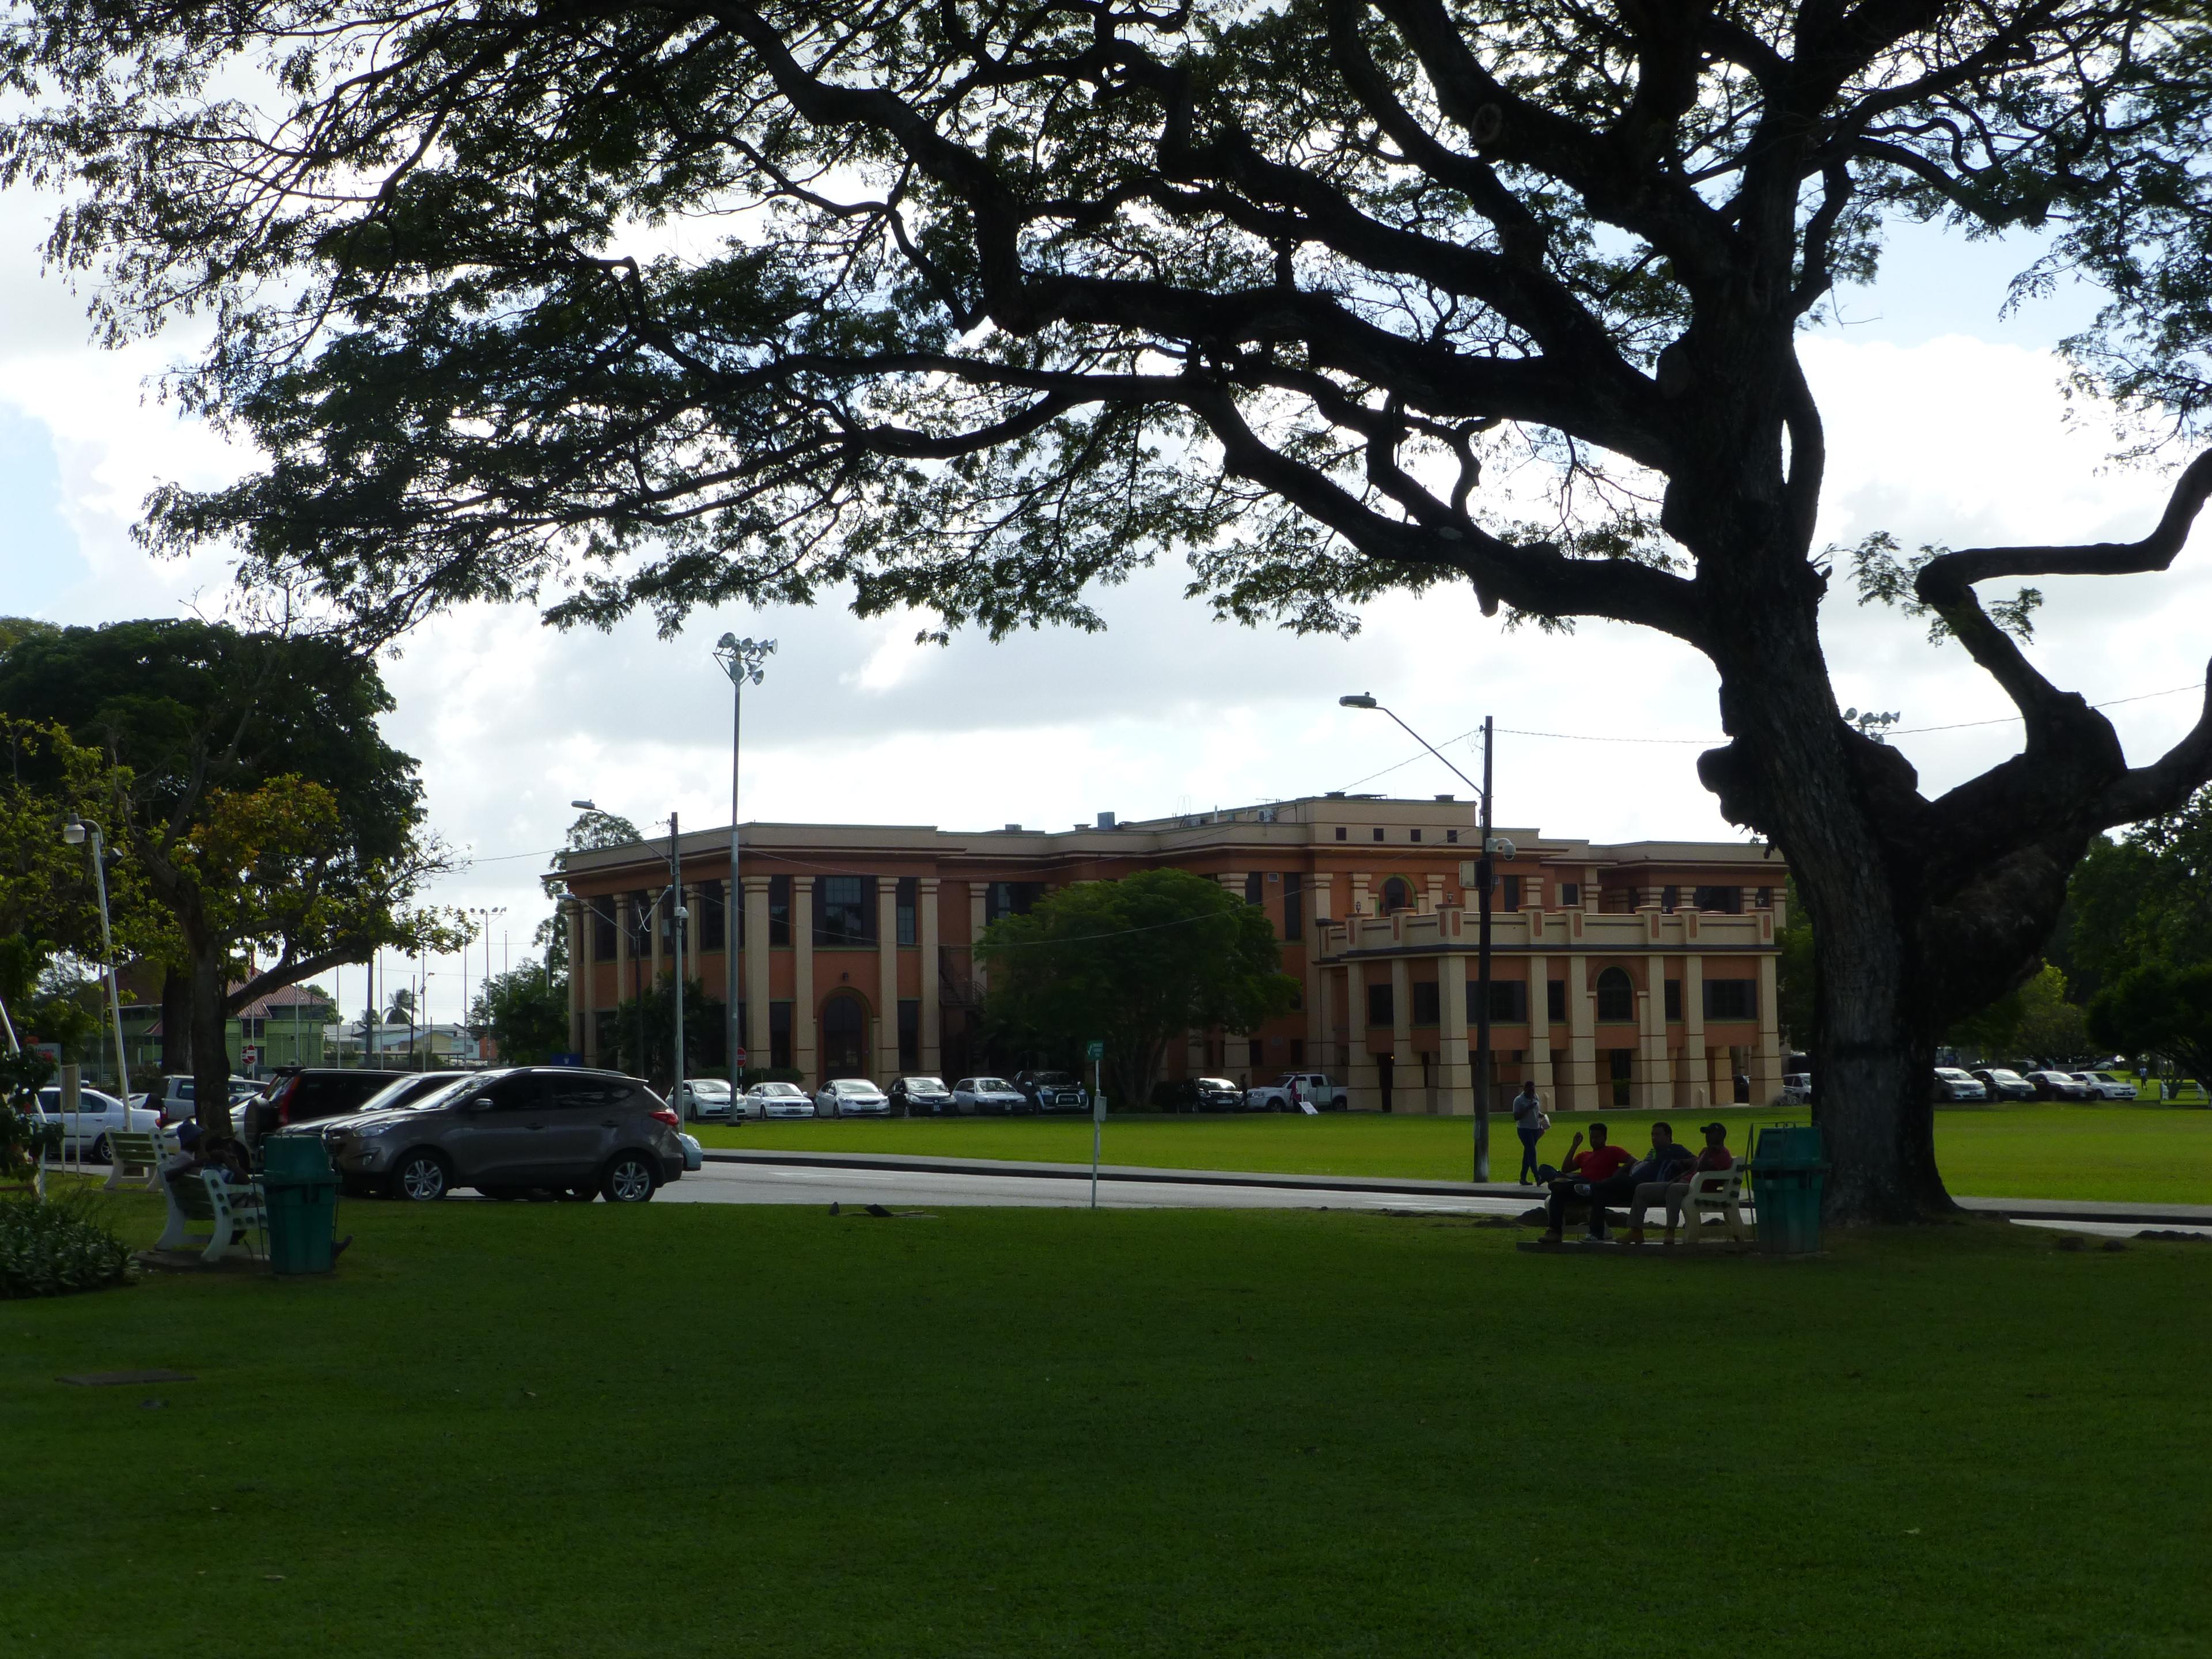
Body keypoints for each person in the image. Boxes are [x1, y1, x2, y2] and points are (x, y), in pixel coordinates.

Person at [1545, 1120, 1692, 1242]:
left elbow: (1695, 1161)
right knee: (1565, 1189)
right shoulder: (1652, 1153)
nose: (1654, 1138)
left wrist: (1680, 1163)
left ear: (1669, 1137)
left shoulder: (1676, 1150)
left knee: (1605, 1185)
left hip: (1643, 1186)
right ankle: (1571, 1232)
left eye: (1658, 1135)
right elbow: (1638, 1165)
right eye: (1652, 1135)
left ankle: (1589, 1189)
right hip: (1622, 1184)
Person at [1626, 1121, 1734, 1245]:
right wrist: (1681, 1168)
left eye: (1710, 1134)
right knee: (1642, 1189)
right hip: (1683, 1184)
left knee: (1674, 1189)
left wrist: (1708, 1152)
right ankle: (1636, 1231)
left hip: (1698, 1189)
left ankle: (1670, 1230)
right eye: (1706, 1134)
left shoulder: (1723, 1154)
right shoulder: (1706, 1152)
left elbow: (1702, 1168)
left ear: (1720, 1136)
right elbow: (1694, 1167)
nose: (1707, 1137)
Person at [1540, 1121, 1638, 1241]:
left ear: (1605, 1138)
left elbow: (1633, 1160)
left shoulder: (1613, 1151)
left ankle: (1560, 1181)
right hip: (1577, 1186)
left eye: (1597, 1137)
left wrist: (1617, 1174)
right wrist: (1575, 1145)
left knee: (1559, 1187)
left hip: (1596, 1187)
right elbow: (1566, 1168)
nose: (1593, 1141)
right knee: (1547, 1173)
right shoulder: (1584, 1155)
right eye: (1592, 1137)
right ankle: (1554, 1231)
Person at [1510, 1081, 1547, 1184]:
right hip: (1524, 1129)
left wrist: (1541, 1116)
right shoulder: (1519, 1100)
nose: (1532, 1093)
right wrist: (1528, 1108)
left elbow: (1536, 1111)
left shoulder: (1536, 1097)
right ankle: (1537, 1176)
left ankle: (1523, 1178)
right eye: (1530, 1090)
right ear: (1525, 1089)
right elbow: (1516, 1117)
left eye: (1533, 1090)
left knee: (1528, 1154)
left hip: (1535, 1129)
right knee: (1532, 1152)